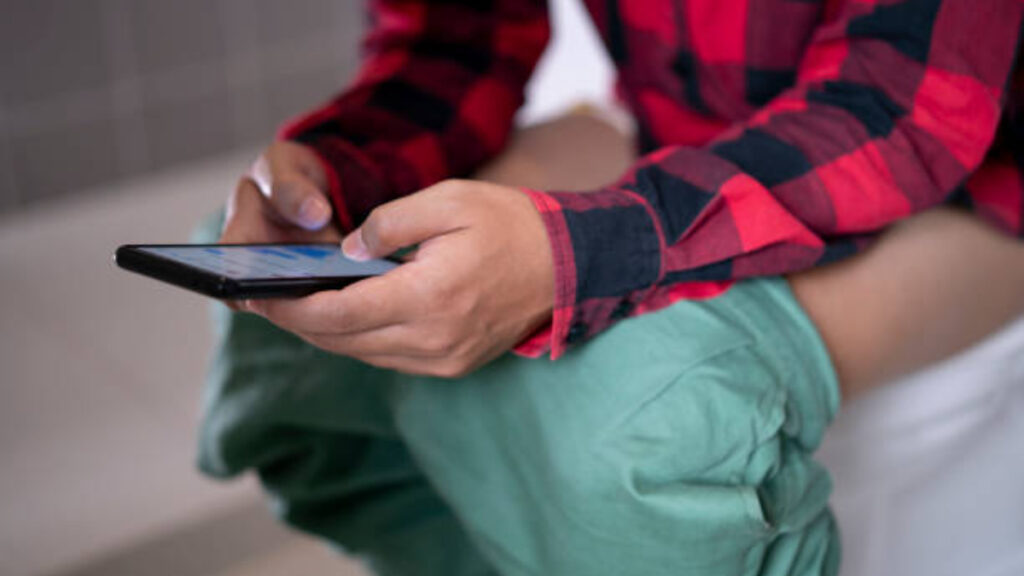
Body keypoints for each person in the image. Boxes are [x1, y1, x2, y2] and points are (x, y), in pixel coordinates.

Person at [197, 1, 1024, 574]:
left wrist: (584, 254)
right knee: (292, 325)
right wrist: (340, 164)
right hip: (688, 127)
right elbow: (462, 36)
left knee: (649, 422)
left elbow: (895, 107)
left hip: (971, 171)